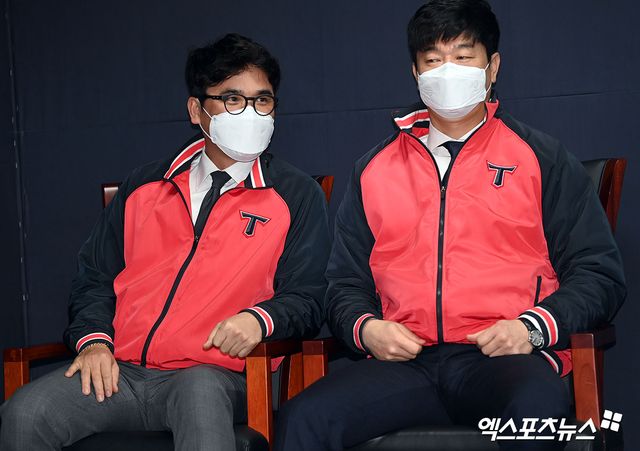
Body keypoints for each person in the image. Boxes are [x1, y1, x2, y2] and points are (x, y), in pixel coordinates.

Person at [274, 1, 625, 450]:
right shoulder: (374, 169)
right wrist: (366, 328)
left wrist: (532, 327)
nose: (447, 71)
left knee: (536, 411)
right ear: (416, 72)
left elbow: (599, 273)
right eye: (433, 60)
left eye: (463, 57)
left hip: (503, 357)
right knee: (303, 419)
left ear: (492, 67)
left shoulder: (541, 158)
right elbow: (343, 282)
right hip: (406, 363)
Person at [0, 33, 330, 451]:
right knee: (26, 413)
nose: (249, 113)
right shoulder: (144, 186)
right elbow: (94, 278)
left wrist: (259, 320)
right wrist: (95, 341)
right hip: (120, 373)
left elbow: (308, 296)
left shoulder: (295, 194)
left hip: (219, 375)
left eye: (261, 101)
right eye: (232, 99)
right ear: (196, 110)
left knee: (198, 393)